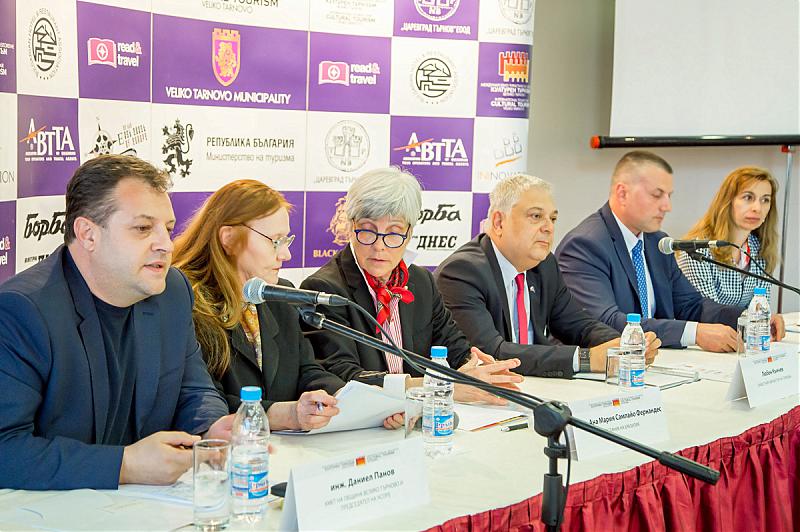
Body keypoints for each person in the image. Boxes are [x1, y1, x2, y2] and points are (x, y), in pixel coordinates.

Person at [0, 155, 231, 490]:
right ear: (88, 234)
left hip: (146, 507)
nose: (166, 245)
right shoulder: (22, 310)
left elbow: (193, 389)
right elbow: (6, 448)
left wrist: (212, 427)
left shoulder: (172, 291)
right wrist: (125, 465)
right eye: (143, 228)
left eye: (167, 229)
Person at [300, 167, 524, 428]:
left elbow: (454, 346)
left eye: (394, 233)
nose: (380, 246)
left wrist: (473, 367)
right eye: (368, 231)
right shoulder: (324, 289)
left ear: (409, 234)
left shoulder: (420, 282)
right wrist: (439, 386)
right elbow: (345, 377)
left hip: (414, 423)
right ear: (351, 228)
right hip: (358, 429)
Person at [555, 151, 784, 353]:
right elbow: (605, 322)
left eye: (669, 196)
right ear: (622, 193)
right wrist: (695, 333)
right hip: (602, 371)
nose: (667, 206)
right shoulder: (585, 245)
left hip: (653, 361)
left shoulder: (657, 241)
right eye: (657, 195)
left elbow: (691, 305)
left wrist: (750, 318)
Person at [435, 174, 660, 378]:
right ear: (498, 222)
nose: (548, 228)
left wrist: (623, 346)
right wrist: (586, 359)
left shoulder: (544, 265)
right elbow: (490, 353)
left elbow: (578, 325)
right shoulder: (462, 272)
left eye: (552, 219)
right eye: (536, 216)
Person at [173, 180, 343, 431]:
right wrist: (285, 415)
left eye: (286, 240)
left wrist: (344, 397)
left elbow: (307, 370)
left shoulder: (279, 294)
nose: (286, 255)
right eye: (275, 241)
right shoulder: (186, 302)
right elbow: (202, 404)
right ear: (228, 239)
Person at [677, 166, 780, 308]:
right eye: (748, 197)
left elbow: (761, 310)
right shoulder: (697, 250)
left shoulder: (762, 249)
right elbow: (707, 314)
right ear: (727, 202)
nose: (757, 208)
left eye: (765, 200)